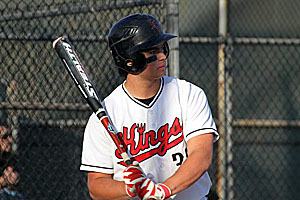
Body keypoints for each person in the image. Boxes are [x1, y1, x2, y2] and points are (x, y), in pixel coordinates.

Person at [80, 13, 219, 200]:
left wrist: (162, 190)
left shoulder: (188, 94)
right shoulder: (107, 114)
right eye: (152, 52)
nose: (162, 56)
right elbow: (96, 185)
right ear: (131, 60)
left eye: (163, 48)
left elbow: (201, 155)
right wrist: (130, 188)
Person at [0, 125, 25, 200]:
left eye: (10, 136)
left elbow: (14, 177)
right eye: (5, 137)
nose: (10, 140)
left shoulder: (9, 157)